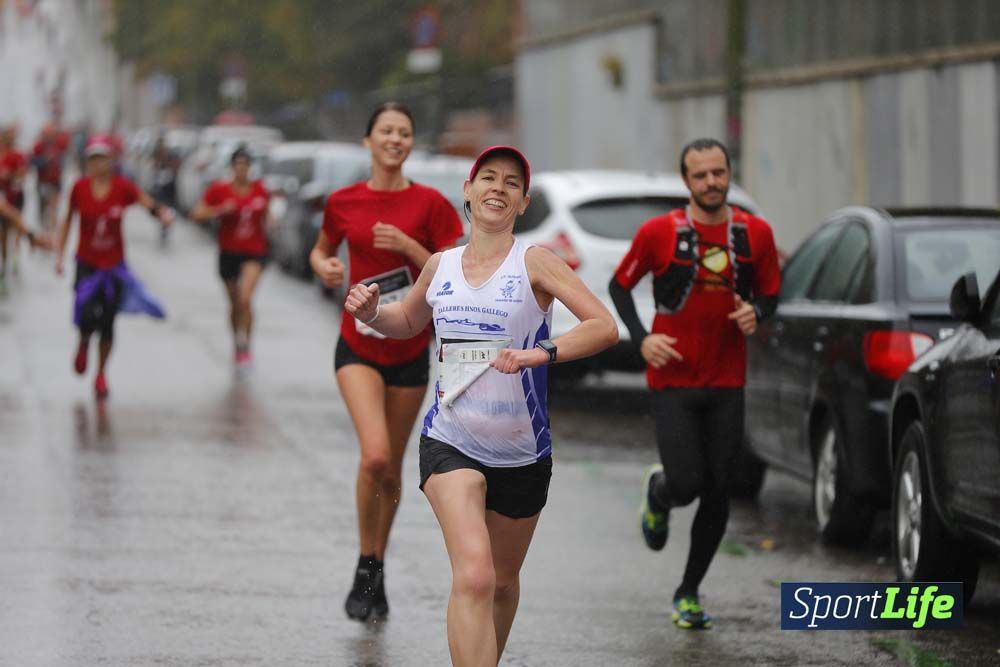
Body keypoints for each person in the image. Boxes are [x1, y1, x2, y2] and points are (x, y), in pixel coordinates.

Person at [345, 145, 618, 665]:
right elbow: (407, 321)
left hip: (523, 451)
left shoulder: (535, 262)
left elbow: (603, 327)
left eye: (511, 183)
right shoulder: (440, 265)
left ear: (523, 202)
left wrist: (540, 354)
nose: (499, 187)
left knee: (503, 583)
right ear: (467, 193)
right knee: (474, 574)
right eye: (488, 178)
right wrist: (376, 313)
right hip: (451, 439)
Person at [608, 138, 780, 630]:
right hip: (673, 377)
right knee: (687, 482)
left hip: (728, 379)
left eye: (718, 173)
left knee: (720, 488)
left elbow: (771, 294)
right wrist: (642, 339)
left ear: (729, 174)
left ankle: (688, 591)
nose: (711, 183)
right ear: (686, 181)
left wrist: (757, 312)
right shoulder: (657, 233)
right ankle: (659, 494)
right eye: (700, 175)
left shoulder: (756, 235)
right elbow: (620, 286)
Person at [310, 102, 464, 622]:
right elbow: (320, 249)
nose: (395, 139)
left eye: (404, 132)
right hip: (357, 346)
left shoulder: (431, 204)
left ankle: (376, 570)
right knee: (374, 456)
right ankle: (363, 561)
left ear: (411, 143)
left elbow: (455, 274)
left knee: (393, 469)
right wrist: (327, 267)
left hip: (409, 349)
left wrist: (407, 246)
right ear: (368, 140)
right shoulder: (344, 200)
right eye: (386, 131)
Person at [55, 136, 175, 399]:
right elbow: (67, 222)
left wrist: (162, 215)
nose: (99, 164)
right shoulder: (79, 189)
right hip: (86, 262)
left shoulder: (123, 188)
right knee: (87, 314)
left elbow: (146, 203)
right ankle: (84, 341)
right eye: (94, 159)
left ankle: (101, 374)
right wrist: (59, 256)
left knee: (108, 322)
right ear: (88, 162)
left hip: (113, 265)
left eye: (103, 158)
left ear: (111, 161)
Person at [191, 146, 271, 366]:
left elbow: (268, 216)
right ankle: (237, 340)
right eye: (238, 166)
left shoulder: (261, 190)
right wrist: (218, 210)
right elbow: (196, 213)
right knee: (235, 302)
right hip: (228, 253)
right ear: (231, 168)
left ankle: (247, 344)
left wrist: (273, 224)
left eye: (245, 166)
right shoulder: (219, 190)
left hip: (254, 252)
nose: (241, 170)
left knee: (245, 298)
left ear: (250, 168)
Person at [0, 126, 28, 276]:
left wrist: (11, 176)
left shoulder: (17, 155)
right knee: (3, 236)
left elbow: (22, 175)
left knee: (16, 228)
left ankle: (16, 254)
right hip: (2, 201)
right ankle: (4, 266)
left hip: (15, 198)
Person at [32, 124, 67, 232]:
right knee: (42, 204)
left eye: (51, 135)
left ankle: (53, 226)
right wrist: (44, 160)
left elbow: (63, 160)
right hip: (43, 181)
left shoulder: (58, 145)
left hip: (55, 180)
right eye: (47, 135)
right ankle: (43, 224)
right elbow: (33, 162)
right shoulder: (38, 146)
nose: (49, 137)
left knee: (54, 204)